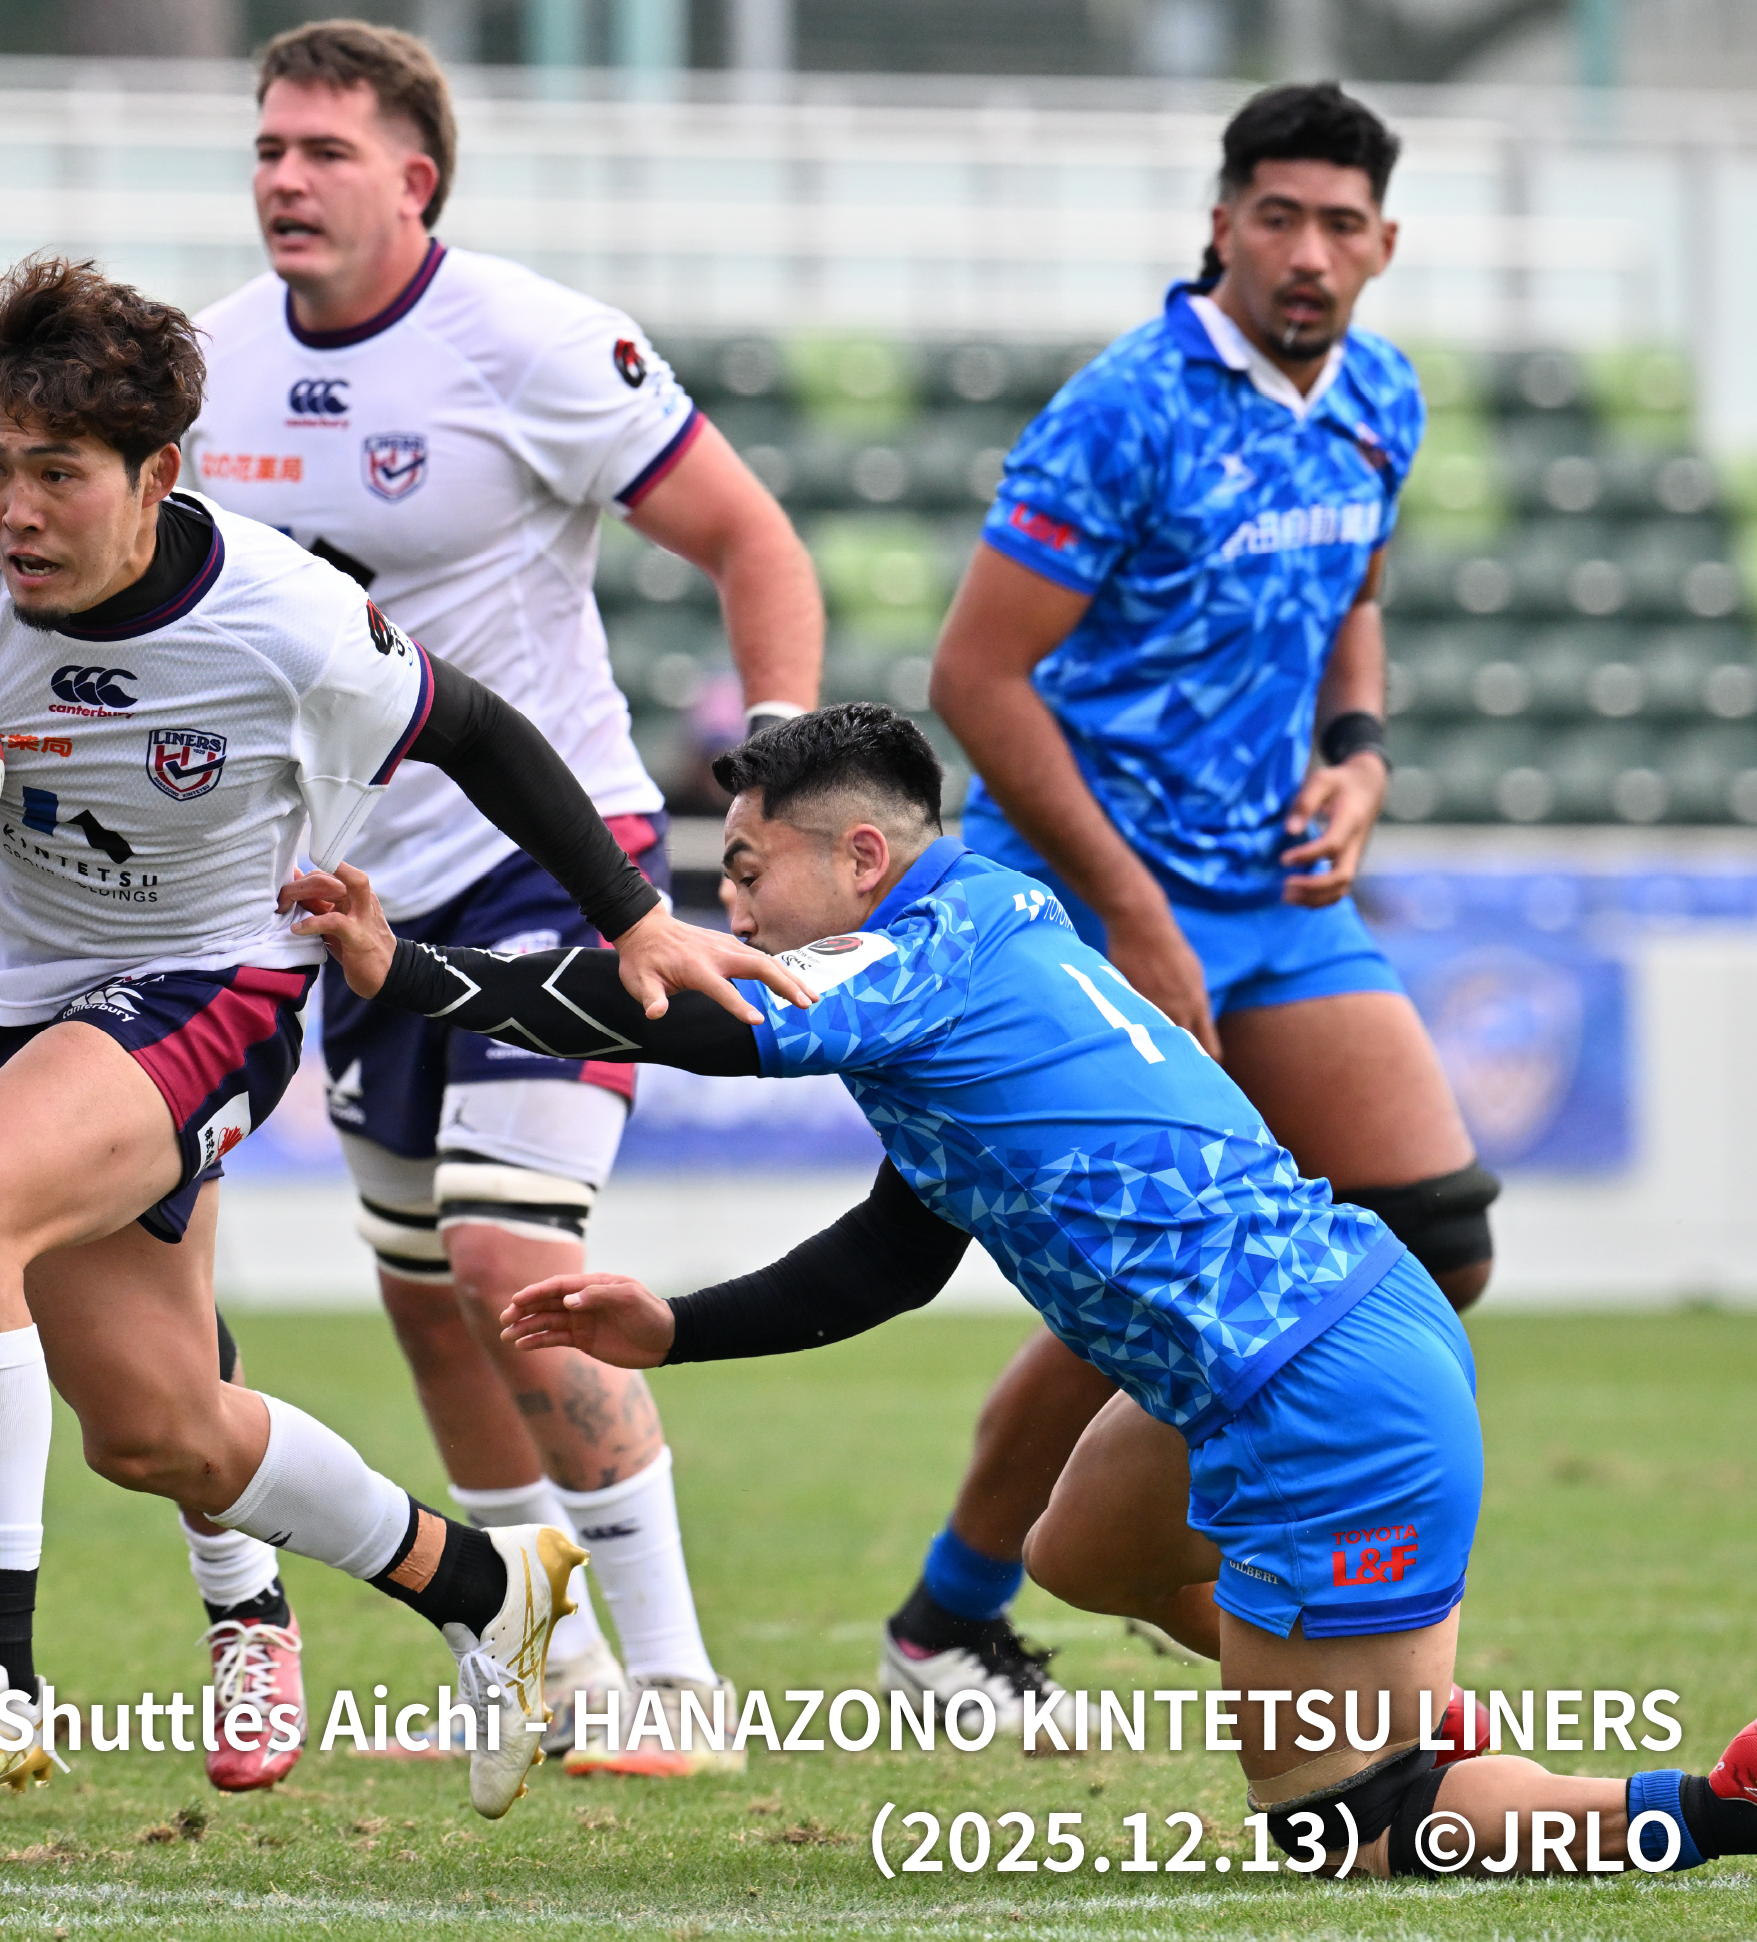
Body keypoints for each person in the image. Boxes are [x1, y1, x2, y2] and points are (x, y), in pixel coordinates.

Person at [298, 700, 1757, 1879]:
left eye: (744, 873)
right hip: (1271, 1365)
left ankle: (1714, 1804)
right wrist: (674, 1329)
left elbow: (703, 1014)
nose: (714, 903)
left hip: (1319, 1393)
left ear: (861, 858)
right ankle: (1413, 1711)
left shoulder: (923, 958)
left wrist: (417, 973)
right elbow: (889, 1257)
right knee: (1086, 1554)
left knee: (1345, 1833)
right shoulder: (971, 940)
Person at [0, 255, 800, 1818]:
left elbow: (484, 731)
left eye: (58, 477)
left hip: (206, 991)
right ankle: (495, 1593)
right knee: (159, 1434)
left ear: (158, 475)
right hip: (26, 1003)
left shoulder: (289, 621)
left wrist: (631, 918)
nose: (15, 509)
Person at [183, 19, 824, 1777]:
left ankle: (680, 1685)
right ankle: (544, 1664)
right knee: (424, 1291)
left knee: (508, 1254)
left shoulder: (537, 342)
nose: (285, 179)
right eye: (267, 148)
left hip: (559, 861)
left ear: (417, 178)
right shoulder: (209, 367)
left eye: (323, 149)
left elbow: (753, 539)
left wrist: (769, 766)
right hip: (345, 893)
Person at [886, 81, 1495, 1722]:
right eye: (1276, 216)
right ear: (1219, 223)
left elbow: (1352, 599)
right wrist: (1133, 911)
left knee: (1435, 1238)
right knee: (1140, 1270)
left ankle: (1068, 1575)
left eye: (1340, 225)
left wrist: (1356, 758)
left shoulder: (1378, 395)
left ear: (1385, 246)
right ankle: (966, 1616)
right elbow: (975, 676)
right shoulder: (1127, 408)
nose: (1308, 252)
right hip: (1090, 887)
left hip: (1272, 886)